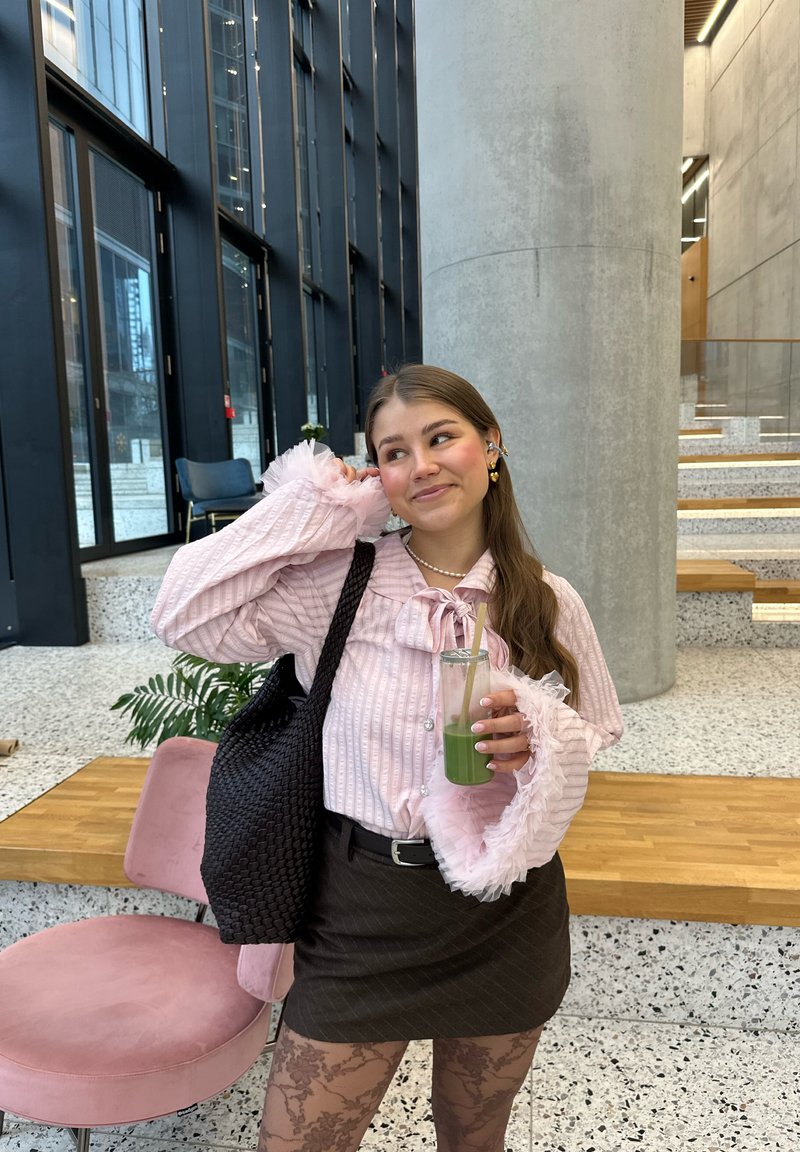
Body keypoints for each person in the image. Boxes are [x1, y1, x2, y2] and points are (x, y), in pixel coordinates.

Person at [151, 363, 623, 1152]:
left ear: (492, 446)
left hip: (506, 913)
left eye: (442, 438)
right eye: (394, 453)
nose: (421, 465)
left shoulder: (546, 597)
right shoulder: (340, 584)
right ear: (378, 475)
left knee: (474, 1136)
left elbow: (598, 727)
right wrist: (320, 504)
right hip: (363, 906)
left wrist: (540, 735)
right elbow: (182, 614)